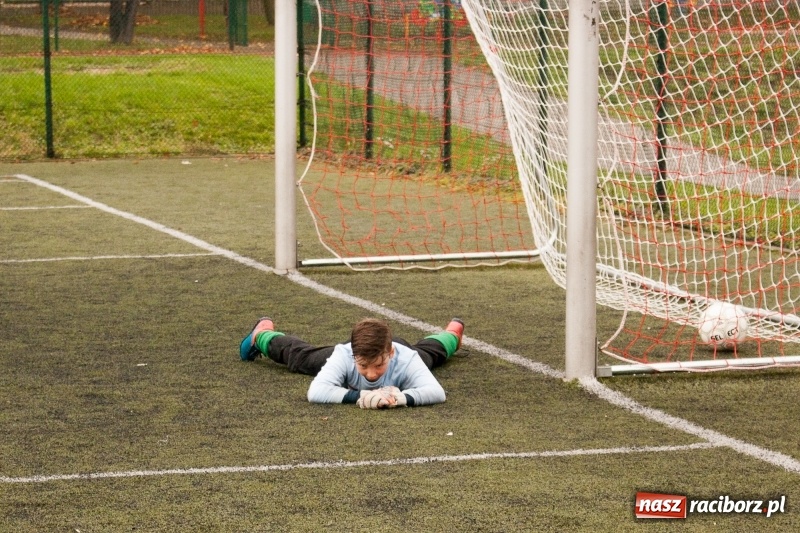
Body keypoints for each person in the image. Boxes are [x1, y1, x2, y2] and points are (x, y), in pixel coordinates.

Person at [238, 316, 465, 409]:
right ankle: (261, 336)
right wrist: (362, 396)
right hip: (350, 350)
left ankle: (452, 335)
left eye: (379, 365)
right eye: (363, 366)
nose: (372, 374)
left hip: (404, 350)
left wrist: (398, 399)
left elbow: (437, 392)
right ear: (353, 355)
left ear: (391, 353)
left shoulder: (406, 358)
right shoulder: (344, 354)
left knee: (429, 355)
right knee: (303, 358)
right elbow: (315, 392)